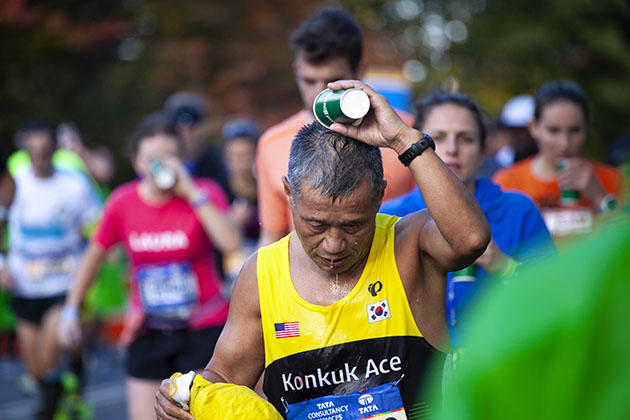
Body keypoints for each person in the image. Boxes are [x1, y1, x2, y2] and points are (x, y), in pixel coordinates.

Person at [154, 80, 491, 419]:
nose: (333, 245)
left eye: (353, 225)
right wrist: (186, 395)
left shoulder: (409, 245)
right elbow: (225, 376)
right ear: (289, 193)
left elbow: (471, 239)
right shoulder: (263, 274)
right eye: (315, 224)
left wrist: (404, 139)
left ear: (379, 196)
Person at [57, 112, 241, 420]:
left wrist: (191, 192)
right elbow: (93, 257)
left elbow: (231, 243)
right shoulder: (123, 202)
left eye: (170, 156)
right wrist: (71, 310)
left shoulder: (205, 193)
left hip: (202, 328)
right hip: (148, 329)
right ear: (137, 163)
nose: (161, 165)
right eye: (153, 158)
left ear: (182, 158)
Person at [380, 91, 555, 348]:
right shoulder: (389, 216)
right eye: (436, 138)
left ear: (484, 150)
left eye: (466, 139)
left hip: (497, 362)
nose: (451, 149)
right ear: (411, 148)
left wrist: (504, 266)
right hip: (418, 374)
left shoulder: (518, 209)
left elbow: (554, 296)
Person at [435, 213, 630, 419]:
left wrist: (502, 264)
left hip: (508, 357)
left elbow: (555, 292)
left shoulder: (518, 209)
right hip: (443, 365)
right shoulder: (409, 214)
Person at [256, 8, 417, 247]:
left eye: (334, 81)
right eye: (309, 80)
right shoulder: (271, 145)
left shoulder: (407, 135)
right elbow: (272, 241)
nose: (321, 92)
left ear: (360, 71)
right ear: (296, 71)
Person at [0, 118, 102, 419]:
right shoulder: (15, 182)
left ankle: (54, 406)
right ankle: (65, 392)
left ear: (56, 147)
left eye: (46, 150)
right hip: (25, 286)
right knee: (34, 372)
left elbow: (96, 230)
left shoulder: (75, 184)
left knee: (48, 357)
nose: (40, 158)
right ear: (25, 149)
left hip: (63, 286)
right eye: (34, 151)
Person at [493, 81, 624, 239]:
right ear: (534, 127)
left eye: (575, 130)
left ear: (588, 125)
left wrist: (600, 197)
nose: (565, 143)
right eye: (553, 131)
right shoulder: (508, 183)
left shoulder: (611, 179)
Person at [221, 118, 261, 290]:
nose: (241, 163)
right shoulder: (218, 190)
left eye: (246, 155)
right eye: (235, 156)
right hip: (225, 277)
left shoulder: (267, 188)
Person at [164, 91, 228, 189]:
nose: (186, 135)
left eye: (192, 129)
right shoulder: (163, 161)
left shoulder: (216, 162)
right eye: (180, 129)